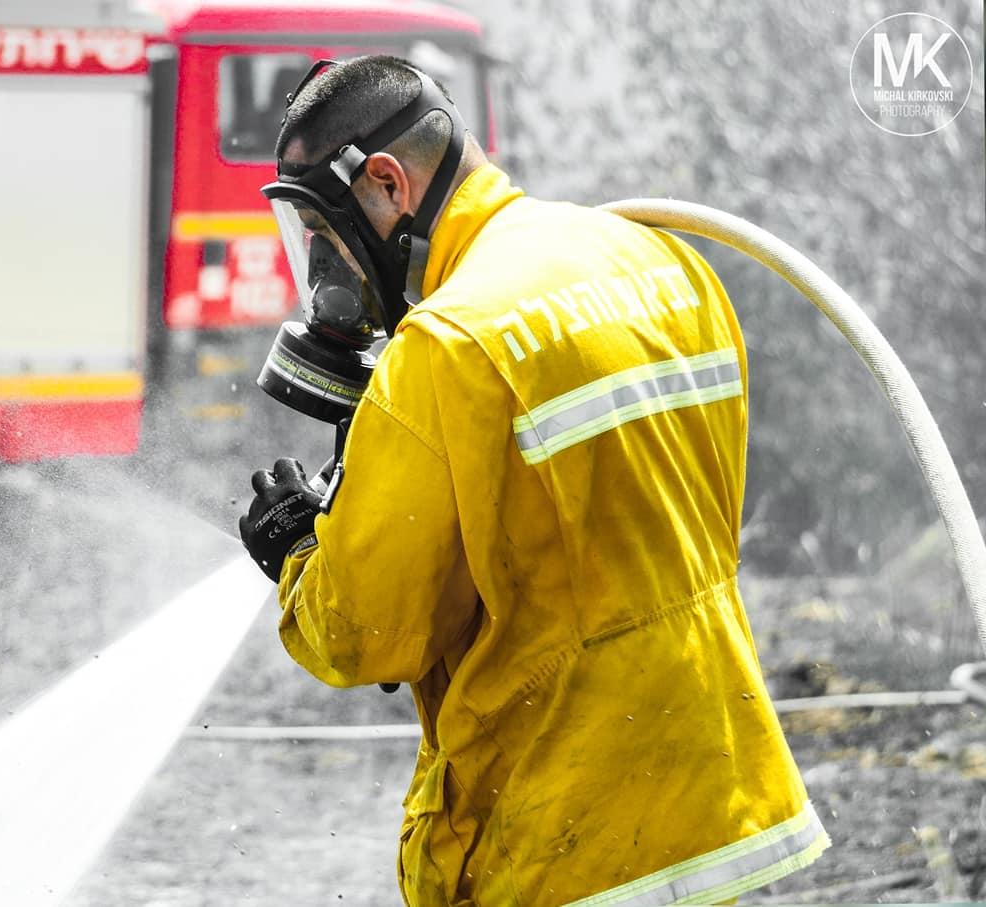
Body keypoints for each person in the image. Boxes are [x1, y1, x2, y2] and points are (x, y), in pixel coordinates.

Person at [238, 55, 829, 906]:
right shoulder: (661, 260)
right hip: (715, 799)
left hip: (559, 834)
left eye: (322, 232)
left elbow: (366, 633)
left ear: (387, 182)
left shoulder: (446, 344)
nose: (326, 268)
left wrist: (300, 548)